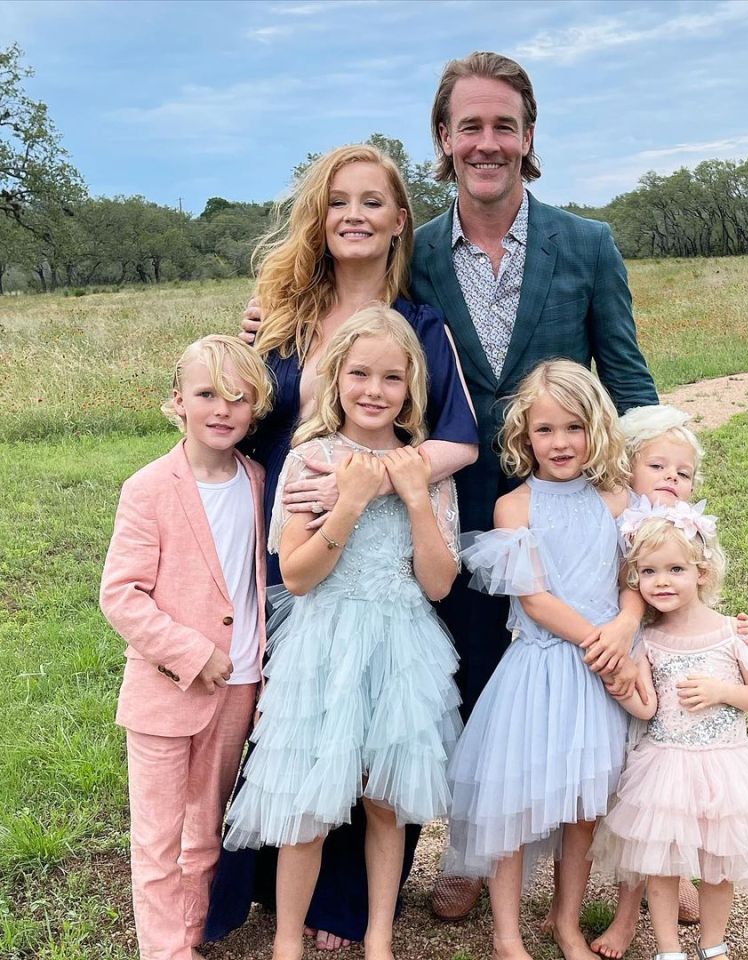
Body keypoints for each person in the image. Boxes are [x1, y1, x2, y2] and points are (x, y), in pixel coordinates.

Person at [240, 52, 659, 925]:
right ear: (444, 139)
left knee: (590, 675)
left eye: (504, 125)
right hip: (442, 514)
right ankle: (465, 857)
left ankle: (645, 862)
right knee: (452, 687)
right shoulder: (417, 252)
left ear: (529, 136)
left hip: (561, 507)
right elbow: (353, 323)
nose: (487, 142)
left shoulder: (587, 245)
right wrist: (260, 318)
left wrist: (661, 501)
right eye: (469, 126)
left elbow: (626, 376)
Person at [204, 145, 478, 952]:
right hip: (289, 538)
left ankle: (353, 911)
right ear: (318, 218)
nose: (353, 215)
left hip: (380, 541)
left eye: (373, 201)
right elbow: (237, 411)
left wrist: (364, 484)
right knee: (292, 734)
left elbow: (455, 441)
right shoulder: (279, 317)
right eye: (337, 201)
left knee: (381, 743)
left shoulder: (418, 327)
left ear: (402, 221)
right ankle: (262, 896)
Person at [222, 306, 463, 960]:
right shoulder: (310, 459)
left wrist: (415, 497)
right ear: (337, 379)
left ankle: (379, 935)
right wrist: (351, 504)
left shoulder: (423, 468)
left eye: (391, 377)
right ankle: (286, 940)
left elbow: (439, 582)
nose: (374, 390)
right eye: (360, 374)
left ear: (411, 385)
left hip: (400, 645)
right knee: (308, 801)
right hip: (324, 642)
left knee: (385, 803)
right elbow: (296, 577)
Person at [444, 360, 646, 960]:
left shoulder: (619, 499)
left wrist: (627, 623)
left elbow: (634, 574)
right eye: (546, 430)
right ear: (524, 437)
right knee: (517, 805)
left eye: (574, 428)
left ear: (597, 429)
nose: (560, 443)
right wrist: (598, 639)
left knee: (583, 810)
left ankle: (567, 922)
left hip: (604, 671)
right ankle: (507, 937)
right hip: (543, 667)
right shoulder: (516, 506)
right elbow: (532, 597)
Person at [99, 335, 274, 960]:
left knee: (205, 831)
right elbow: (121, 595)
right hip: (167, 689)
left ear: (255, 410)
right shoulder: (148, 487)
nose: (222, 409)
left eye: (239, 397)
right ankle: (162, 951)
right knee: (157, 837)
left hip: (242, 683)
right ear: (177, 401)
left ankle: (191, 936)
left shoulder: (258, 480)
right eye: (207, 394)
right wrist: (192, 653)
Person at [583, 404, 748, 954]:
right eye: (657, 466)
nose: (670, 479)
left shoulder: (692, 530)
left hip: (678, 656)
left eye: (682, 473)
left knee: (663, 798)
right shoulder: (613, 518)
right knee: (634, 800)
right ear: (628, 468)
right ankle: (631, 909)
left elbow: (701, 591)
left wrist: (741, 632)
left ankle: (637, 911)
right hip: (627, 651)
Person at [590, 503, 748, 960]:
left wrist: (721, 690)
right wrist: (621, 687)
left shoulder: (732, 633)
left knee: (718, 863)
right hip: (666, 765)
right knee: (662, 864)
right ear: (636, 580)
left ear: (702, 572)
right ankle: (668, 949)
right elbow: (648, 707)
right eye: (649, 572)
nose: (662, 581)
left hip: (724, 764)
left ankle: (714, 944)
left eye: (675, 569)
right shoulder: (648, 640)